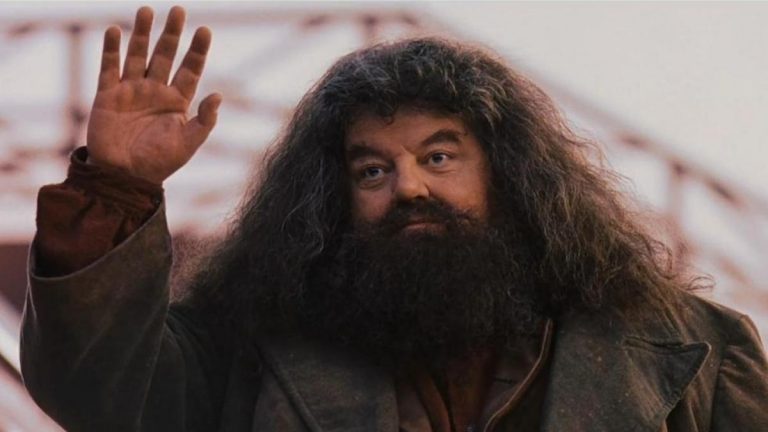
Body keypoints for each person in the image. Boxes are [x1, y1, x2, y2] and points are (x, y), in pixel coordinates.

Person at [21, 5, 767, 432]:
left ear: (509, 175)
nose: (408, 187)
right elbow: (101, 392)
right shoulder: (245, 352)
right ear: (334, 201)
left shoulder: (700, 353)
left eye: (439, 157)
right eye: (372, 170)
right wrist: (117, 186)